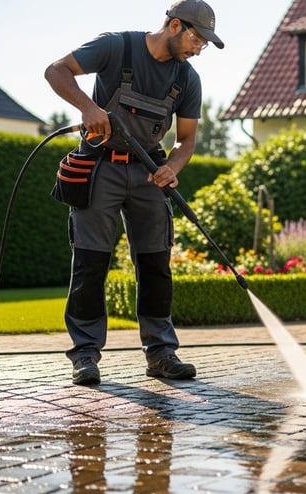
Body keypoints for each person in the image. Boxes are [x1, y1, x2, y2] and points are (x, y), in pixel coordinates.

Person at [44, 0, 224, 385]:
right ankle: (85, 355)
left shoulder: (187, 79)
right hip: (100, 168)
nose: (199, 48)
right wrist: (88, 108)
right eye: (198, 38)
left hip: (148, 176)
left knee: (156, 264)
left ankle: (161, 352)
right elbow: (56, 71)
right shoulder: (116, 47)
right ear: (175, 25)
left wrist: (171, 168)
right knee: (91, 263)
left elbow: (187, 140)